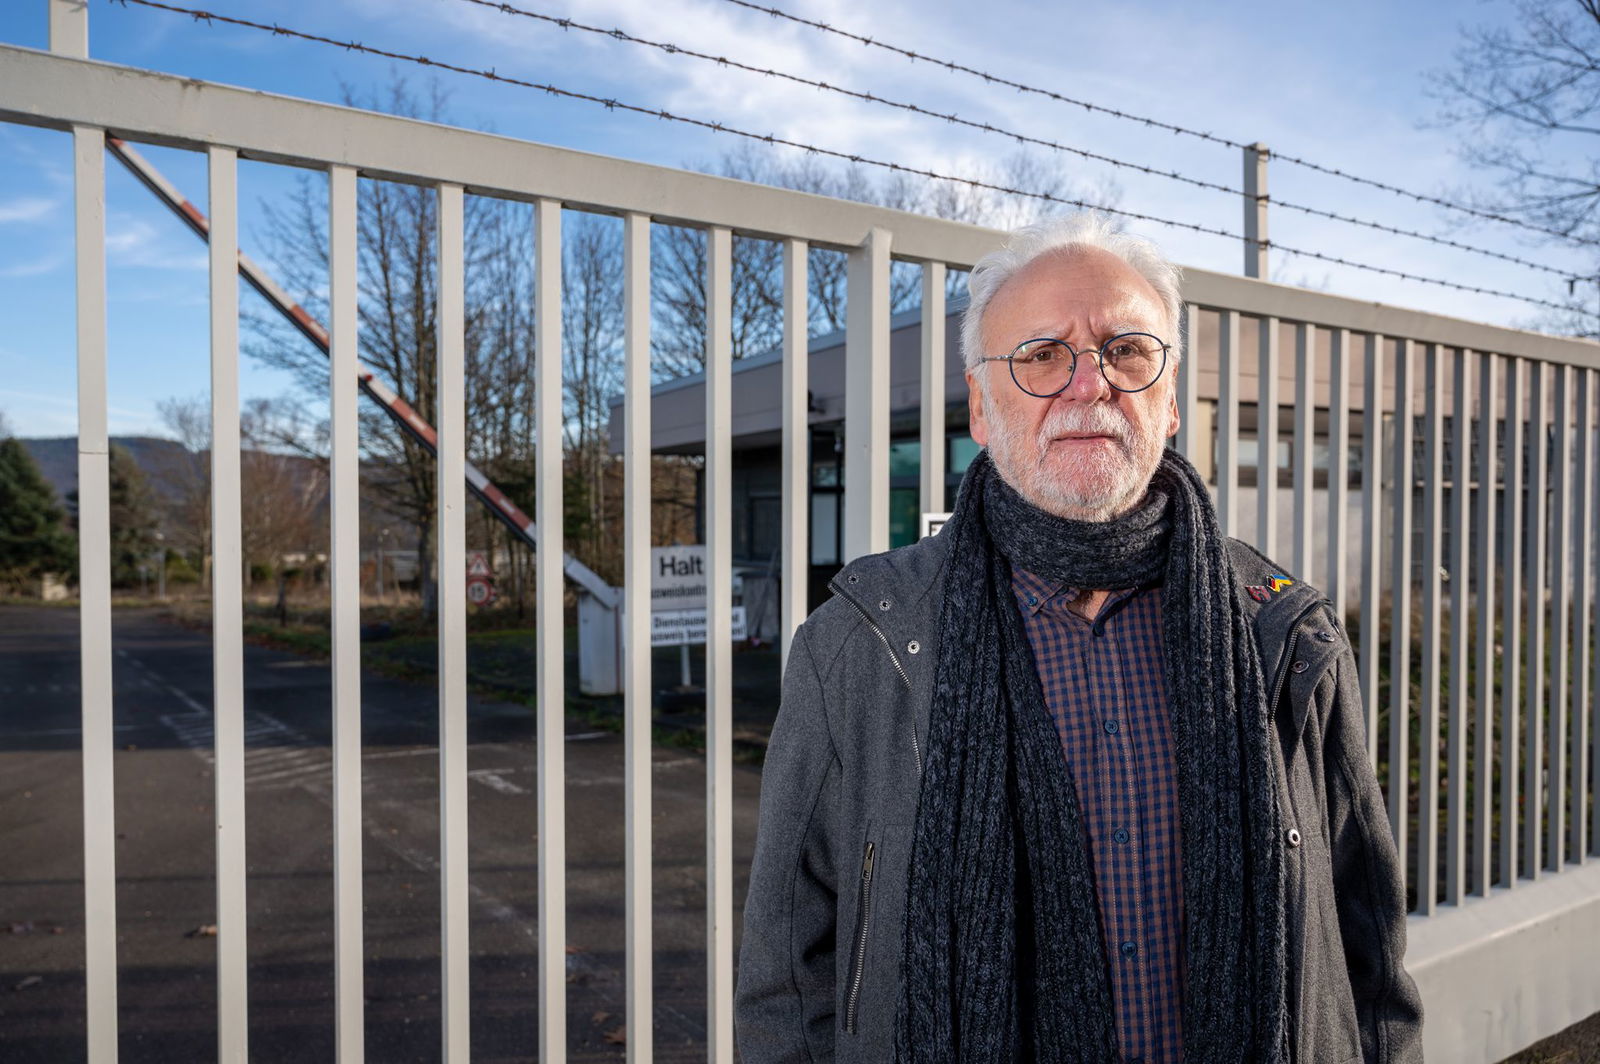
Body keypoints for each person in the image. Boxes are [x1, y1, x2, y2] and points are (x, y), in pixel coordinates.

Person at [734, 213, 1423, 1064]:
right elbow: (786, 978)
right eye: (1041, 354)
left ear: (1170, 400)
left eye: (1126, 350)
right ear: (980, 405)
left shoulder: (1285, 634)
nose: (1089, 384)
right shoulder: (856, 646)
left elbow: (1369, 952)